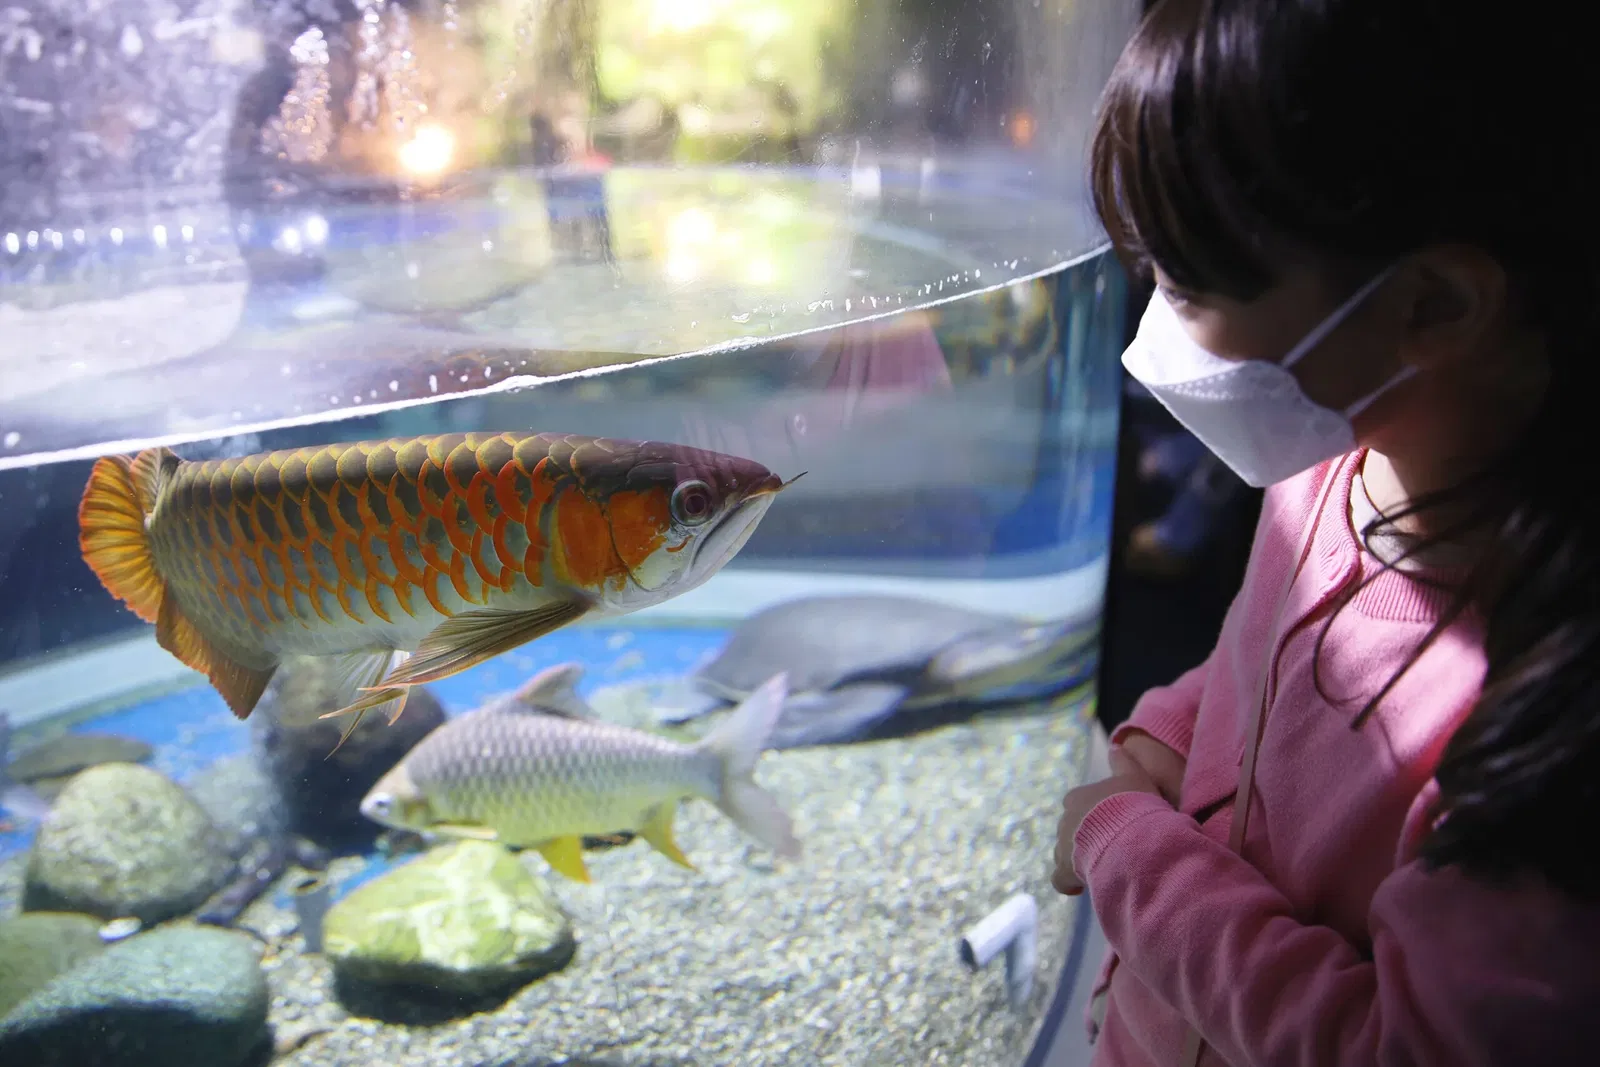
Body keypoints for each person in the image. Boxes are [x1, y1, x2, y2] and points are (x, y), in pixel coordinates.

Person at [1049, 3, 1600, 1065]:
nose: (1148, 317)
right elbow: (1254, 663)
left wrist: (1123, 844)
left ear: (1433, 305)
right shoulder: (1334, 458)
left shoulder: (1548, 718)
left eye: (1187, 280)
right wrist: (1164, 735)